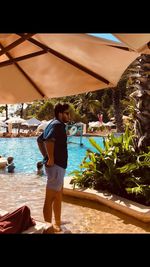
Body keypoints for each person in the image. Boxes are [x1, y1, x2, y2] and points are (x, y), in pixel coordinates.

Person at [37, 103, 70, 232]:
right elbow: (48, 140)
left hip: (58, 166)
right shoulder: (57, 125)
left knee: (58, 196)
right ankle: (48, 227)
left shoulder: (51, 124)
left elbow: (39, 140)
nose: (69, 116)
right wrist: (50, 158)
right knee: (50, 198)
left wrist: (46, 156)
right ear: (60, 113)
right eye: (67, 113)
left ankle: (57, 222)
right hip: (56, 166)